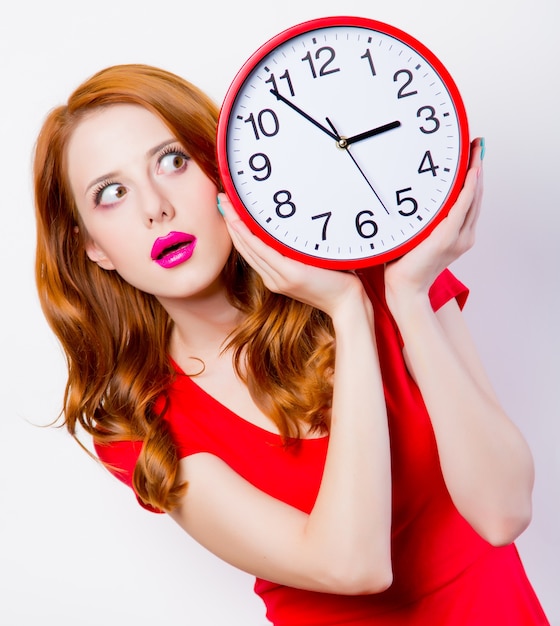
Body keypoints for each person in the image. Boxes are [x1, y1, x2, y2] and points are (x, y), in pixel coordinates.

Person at [33, 63, 549, 625]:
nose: (155, 206)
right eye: (111, 193)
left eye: (173, 161)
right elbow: (354, 565)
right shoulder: (147, 428)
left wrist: (405, 294)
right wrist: (349, 313)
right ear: (93, 248)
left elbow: (502, 513)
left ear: (223, 169)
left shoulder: (385, 267)